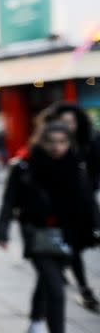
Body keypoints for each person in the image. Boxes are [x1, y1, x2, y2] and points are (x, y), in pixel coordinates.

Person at [0, 121, 100, 333]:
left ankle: (34, 323)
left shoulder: (76, 166)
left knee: (46, 282)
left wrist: (95, 228)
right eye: (51, 141)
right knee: (55, 288)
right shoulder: (24, 166)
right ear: (40, 141)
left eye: (62, 142)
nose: (56, 147)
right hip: (36, 233)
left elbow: (88, 200)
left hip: (68, 234)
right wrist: (3, 230)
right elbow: (10, 200)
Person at [40, 102, 100, 312]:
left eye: (72, 121)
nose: (68, 125)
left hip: (85, 205)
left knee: (80, 246)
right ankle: (84, 289)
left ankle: (65, 268)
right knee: (72, 250)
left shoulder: (89, 142)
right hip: (58, 210)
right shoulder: (48, 146)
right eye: (64, 121)